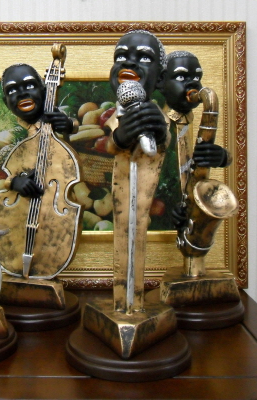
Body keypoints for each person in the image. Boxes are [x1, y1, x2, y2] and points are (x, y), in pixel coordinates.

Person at [104, 30, 170, 312]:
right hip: (120, 191)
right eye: (121, 57)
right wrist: (120, 136)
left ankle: (136, 303)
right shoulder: (113, 115)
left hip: (144, 190)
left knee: (137, 231)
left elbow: (162, 143)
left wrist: (159, 130)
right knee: (122, 233)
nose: (129, 63)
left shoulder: (159, 115)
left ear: (160, 78)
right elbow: (111, 143)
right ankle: (121, 304)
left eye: (143, 58)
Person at [160, 51, 232, 229]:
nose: (193, 84)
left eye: (197, 77)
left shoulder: (191, 122)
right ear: (161, 82)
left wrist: (223, 157)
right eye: (181, 77)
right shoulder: (157, 123)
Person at [0, 63, 79, 197]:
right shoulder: (12, 136)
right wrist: (14, 182)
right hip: (26, 202)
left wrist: (69, 125)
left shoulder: (55, 117)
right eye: (12, 91)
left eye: (30, 86)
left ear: (44, 91)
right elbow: (1, 176)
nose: (22, 94)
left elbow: (74, 128)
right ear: (6, 103)